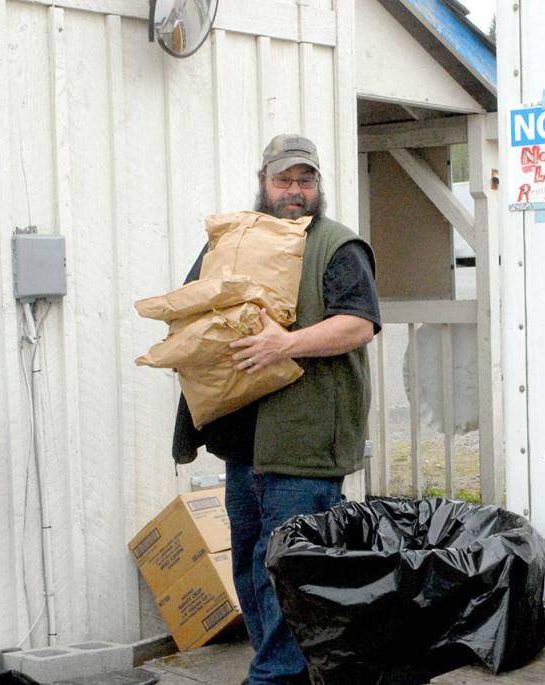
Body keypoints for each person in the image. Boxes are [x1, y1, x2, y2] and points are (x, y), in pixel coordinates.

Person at [171, 133, 381, 685]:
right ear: (263, 183)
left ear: (318, 187)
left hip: (304, 445)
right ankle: (287, 671)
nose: (295, 191)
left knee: (289, 570)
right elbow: (196, 305)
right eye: (284, 180)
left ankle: (272, 679)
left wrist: (283, 344)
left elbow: (359, 324)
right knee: (250, 567)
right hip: (243, 445)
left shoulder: (338, 246)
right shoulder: (235, 239)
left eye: (305, 181)